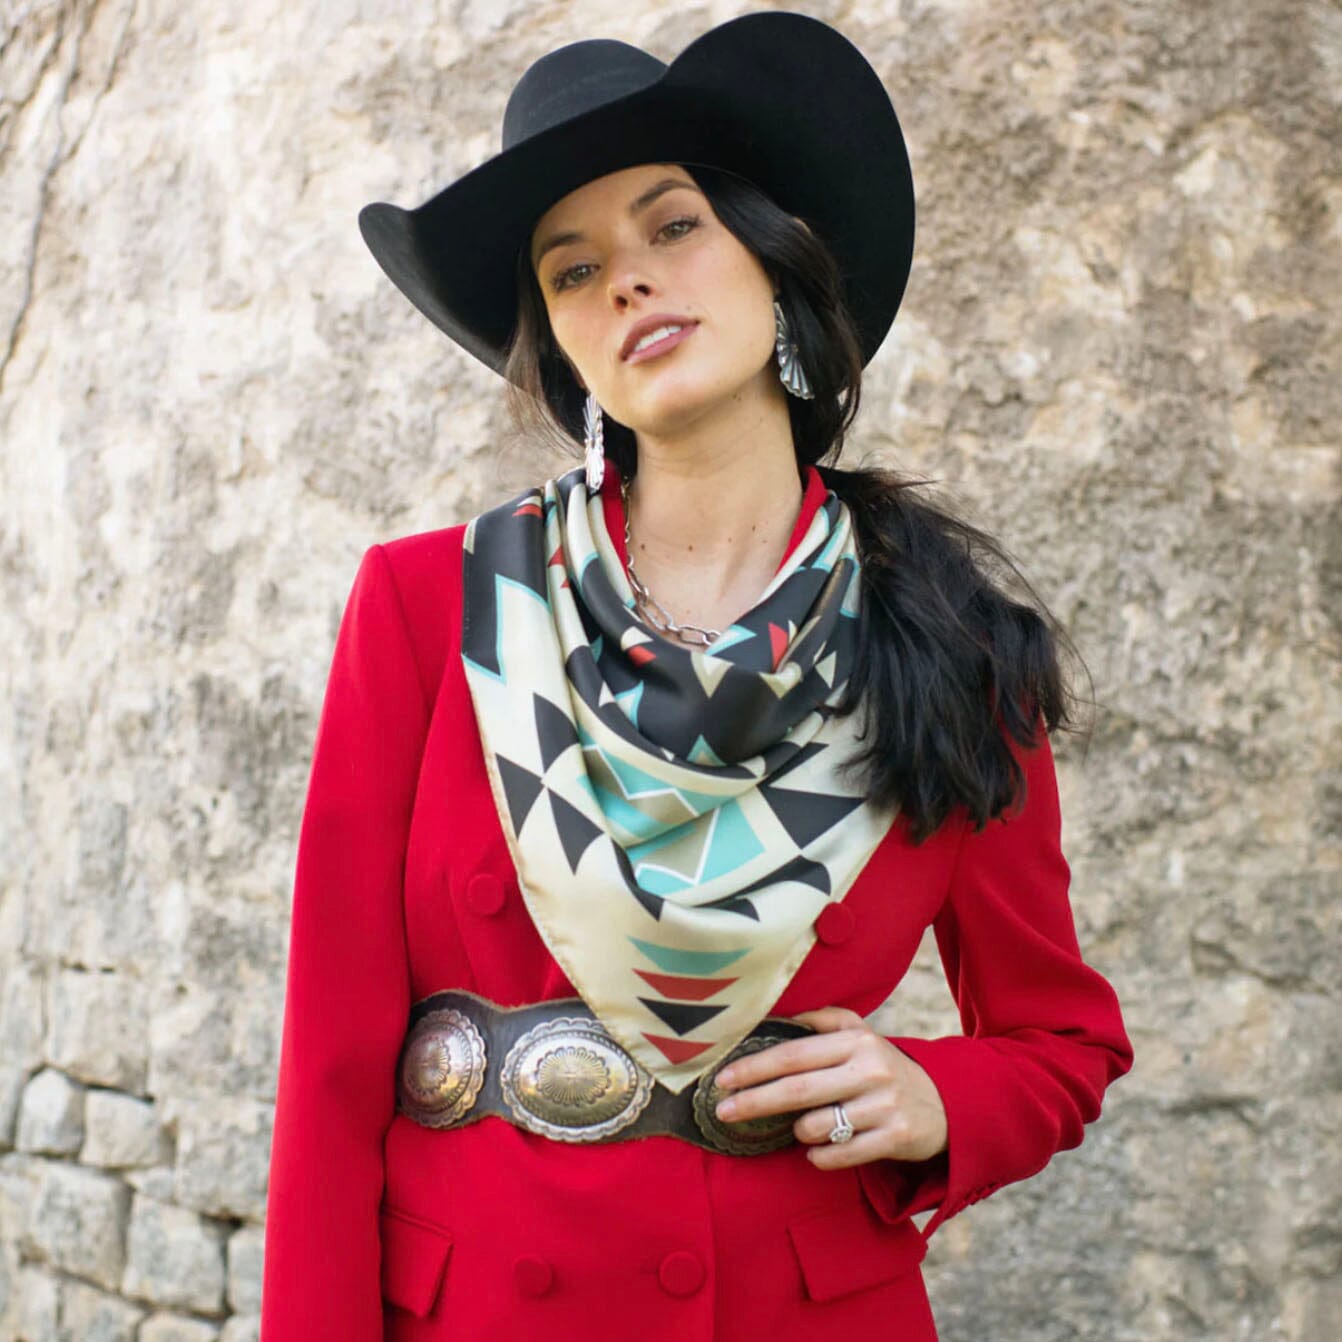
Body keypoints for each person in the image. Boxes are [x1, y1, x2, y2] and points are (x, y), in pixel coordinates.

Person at [259, 12, 1132, 1341]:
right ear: (563, 346)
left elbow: (1059, 1038)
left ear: (778, 259)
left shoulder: (948, 643)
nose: (626, 281)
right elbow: (328, 1070)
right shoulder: (433, 608)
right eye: (572, 269)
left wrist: (940, 1093)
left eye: (673, 226)